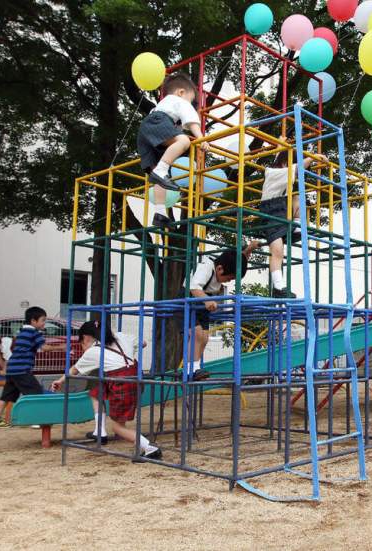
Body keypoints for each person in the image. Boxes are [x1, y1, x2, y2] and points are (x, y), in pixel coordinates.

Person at [50, 321, 162, 460]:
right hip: (135, 380)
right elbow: (144, 343)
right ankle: (104, 432)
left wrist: (60, 381)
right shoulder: (122, 336)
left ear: (86, 338)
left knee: (117, 428)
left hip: (120, 384)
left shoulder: (94, 351)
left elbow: (75, 370)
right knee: (99, 394)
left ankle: (150, 447)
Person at [136, 72, 206, 226]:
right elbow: (192, 120)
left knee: (159, 174)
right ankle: (160, 171)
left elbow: (176, 126)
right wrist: (201, 139)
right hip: (157, 122)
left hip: (145, 131)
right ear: (181, 92)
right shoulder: (178, 101)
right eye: (190, 99)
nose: (189, 103)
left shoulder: (164, 104)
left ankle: (160, 213)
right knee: (184, 140)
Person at [258, 150, 327, 298]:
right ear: (285, 163)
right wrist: (313, 158)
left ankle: (296, 226)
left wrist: (279, 144)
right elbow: (295, 167)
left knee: (297, 197)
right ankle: (278, 287)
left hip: (280, 209)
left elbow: (281, 157)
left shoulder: (280, 168)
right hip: (270, 211)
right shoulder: (273, 172)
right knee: (277, 251)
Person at [187, 243, 262, 379]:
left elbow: (241, 258)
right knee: (197, 334)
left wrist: (250, 248)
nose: (229, 281)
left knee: (204, 337)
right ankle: (189, 369)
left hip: (202, 303)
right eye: (229, 278)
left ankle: (195, 368)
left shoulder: (224, 266)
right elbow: (194, 287)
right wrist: (207, 300)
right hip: (190, 301)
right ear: (220, 269)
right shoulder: (207, 267)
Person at [0, 307, 62, 428]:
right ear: (33, 321)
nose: (44, 323)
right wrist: (62, 347)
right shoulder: (34, 333)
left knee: (7, 396)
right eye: (43, 320)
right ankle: (36, 420)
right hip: (21, 370)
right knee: (36, 394)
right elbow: (44, 348)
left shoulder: (22, 332)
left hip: (12, 369)